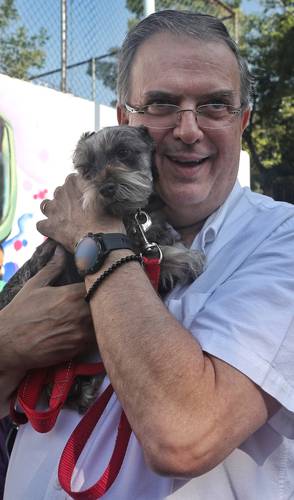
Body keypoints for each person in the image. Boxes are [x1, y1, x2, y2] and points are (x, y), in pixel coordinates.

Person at [3, 10, 294, 500]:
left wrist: (97, 238)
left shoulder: (279, 239)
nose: (187, 129)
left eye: (215, 105)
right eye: (161, 104)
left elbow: (183, 434)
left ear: (243, 121)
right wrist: (9, 343)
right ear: (124, 120)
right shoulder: (62, 238)